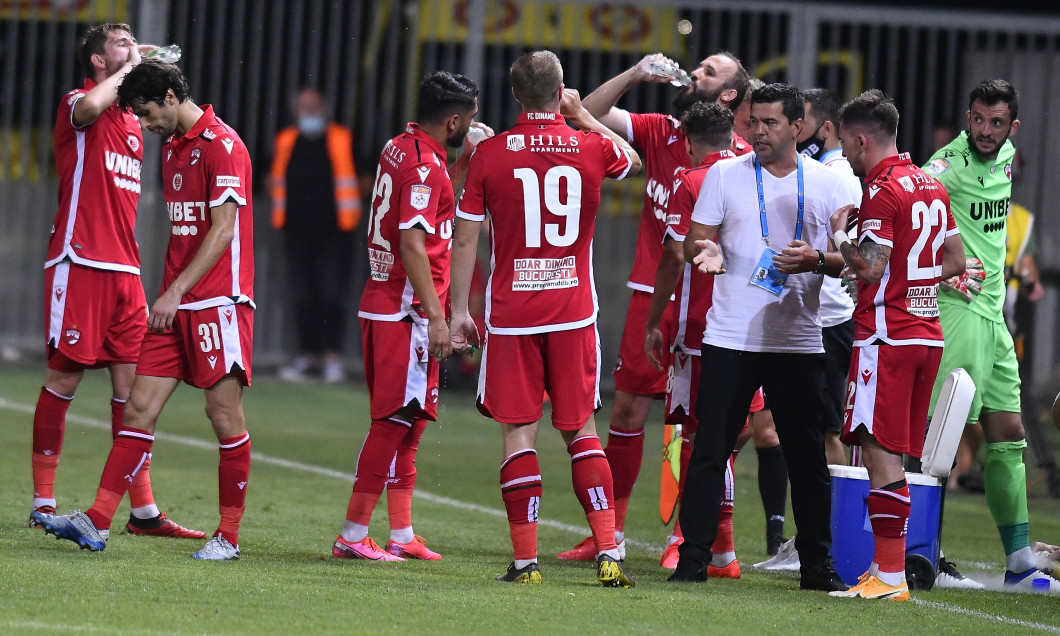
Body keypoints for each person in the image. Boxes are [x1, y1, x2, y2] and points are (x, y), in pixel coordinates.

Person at [33, 59, 256, 561]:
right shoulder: (175, 149)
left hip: (219, 302)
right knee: (137, 408)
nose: (147, 125)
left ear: (173, 96)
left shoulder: (223, 145)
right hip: (173, 305)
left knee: (223, 415)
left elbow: (224, 231)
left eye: (149, 113)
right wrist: (171, 294)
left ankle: (229, 535)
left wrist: (175, 291)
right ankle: (95, 523)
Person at [449, 50, 641, 586]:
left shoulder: (491, 154)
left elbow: (465, 236)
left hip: (513, 316)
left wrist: (460, 310)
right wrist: (581, 116)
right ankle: (610, 550)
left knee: (519, 433)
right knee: (581, 431)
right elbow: (634, 160)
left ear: (514, 96)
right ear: (561, 92)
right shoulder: (591, 146)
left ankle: (528, 562)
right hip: (573, 310)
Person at [557, 49, 753, 562]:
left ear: (728, 95)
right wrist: (634, 73)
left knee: (702, 422)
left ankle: (688, 537)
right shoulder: (661, 130)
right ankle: (610, 533)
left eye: (711, 72)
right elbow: (589, 115)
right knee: (626, 409)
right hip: (655, 293)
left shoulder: (742, 157)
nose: (697, 73)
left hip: (711, 303)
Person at [671, 83, 855, 590]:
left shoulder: (830, 184)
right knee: (710, 449)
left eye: (770, 123)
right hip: (729, 335)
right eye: (753, 122)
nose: (757, 132)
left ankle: (817, 566)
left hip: (797, 340)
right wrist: (703, 253)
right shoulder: (725, 175)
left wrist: (817, 260)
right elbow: (696, 241)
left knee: (807, 457)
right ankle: (693, 562)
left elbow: (857, 264)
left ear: (798, 127)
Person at [29, 23, 203, 540]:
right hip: (78, 262)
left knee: (134, 392)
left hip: (125, 271)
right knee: (64, 380)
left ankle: (143, 510)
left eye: (134, 41)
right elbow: (87, 109)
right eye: (122, 44)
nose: (135, 47)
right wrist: (132, 66)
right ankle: (43, 500)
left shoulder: (133, 120)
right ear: (99, 61)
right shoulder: (80, 103)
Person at [330, 71, 481, 562]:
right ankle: (352, 536)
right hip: (405, 310)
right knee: (392, 422)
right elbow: (413, 243)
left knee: (410, 423)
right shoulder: (422, 166)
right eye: (471, 120)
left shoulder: (404, 148)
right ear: (454, 119)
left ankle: (401, 533)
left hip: (389, 303)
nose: (474, 125)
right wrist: (437, 318)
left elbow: (434, 207)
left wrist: (464, 162)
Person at [826, 89, 966, 602]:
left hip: (886, 335)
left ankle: (888, 577)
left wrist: (841, 234)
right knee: (893, 457)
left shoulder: (882, 191)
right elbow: (954, 258)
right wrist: (913, 283)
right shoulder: (931, 184)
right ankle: (887, 573)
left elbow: (869, 267)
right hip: (926, 335)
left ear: (863, 140)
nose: (844, 154)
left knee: (877, 453)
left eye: (845, 145)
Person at [924, 79, 1059, 592]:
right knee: (937, 438)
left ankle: (1020, 562)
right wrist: (947, 268)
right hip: (957, 313)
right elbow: (914, 205)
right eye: (976, 119)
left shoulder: (1007, 159)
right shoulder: (946, 165)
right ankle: (921, 555)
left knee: (1009, 435)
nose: (983, 130)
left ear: (1012, 127)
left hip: (996, 320)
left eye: (995, 122)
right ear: (967, 115)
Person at [642, 100, 766, 574]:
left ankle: (691, 541)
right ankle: (724, 551)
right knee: (730, 435)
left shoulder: (692, 181)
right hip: (751, 325)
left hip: (701, 329)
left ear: (690, 143)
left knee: (698, 437)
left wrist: (655, 321)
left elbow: (675, 256)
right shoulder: (753, 176)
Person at [270, 87, 364, 384]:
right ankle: (307, 356)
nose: (308, 111)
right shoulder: (285, 140)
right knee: (302, 294)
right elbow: (270, 177)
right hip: (296, 232)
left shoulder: (342, 138)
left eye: (313, 105)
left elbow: (363, 178)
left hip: (336, 232)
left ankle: (332, 358)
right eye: (303, 106)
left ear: (324, 108)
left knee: (332, 295)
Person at [797, 87, 862, 467]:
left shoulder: (833, 176)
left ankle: (835, 524)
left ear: (824, 129)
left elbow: (852, 255)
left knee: (825, 431)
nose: (794, 129)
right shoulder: (831, 172)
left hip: (828, 318)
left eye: (799, 121)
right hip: (821, 317)